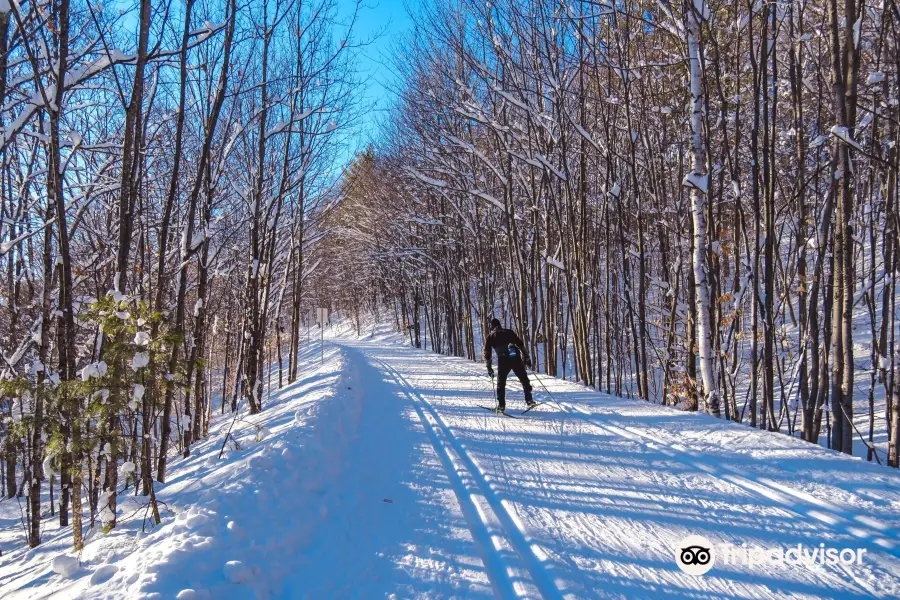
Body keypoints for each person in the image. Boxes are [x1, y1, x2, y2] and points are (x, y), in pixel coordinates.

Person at [483, 318, 535, 412]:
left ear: (491, 326)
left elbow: (487, 354)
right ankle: (529, 400)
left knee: (501, 383)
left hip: (503, 361)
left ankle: (501, 406)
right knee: (524, 380)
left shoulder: (490, 336)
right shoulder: (509, 332)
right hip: (516, 358)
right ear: (500, 325)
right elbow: (520, 344)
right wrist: (527, 357)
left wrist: (489, 367)